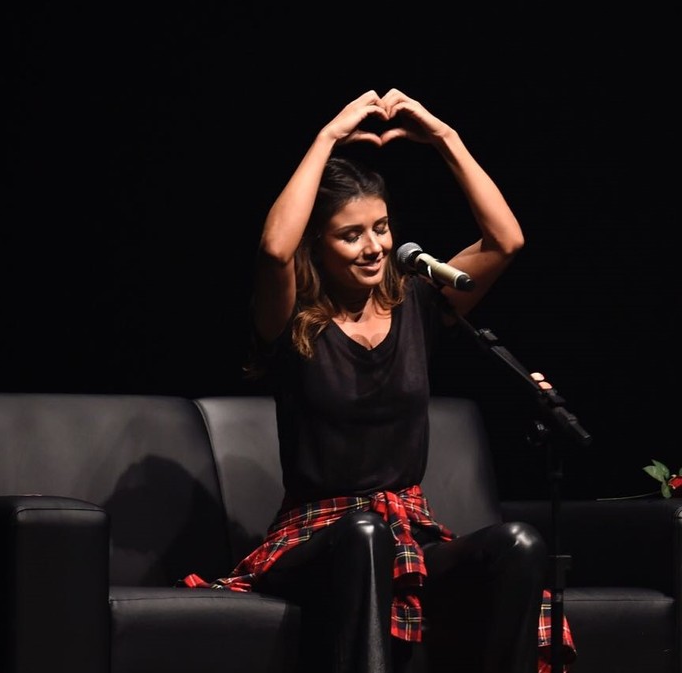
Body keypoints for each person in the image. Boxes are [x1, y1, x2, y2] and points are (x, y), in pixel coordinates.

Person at [181, 88, 575, 673]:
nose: (375, 247)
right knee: (366, 534)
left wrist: (443, 136)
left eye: (382, 228)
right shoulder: (292, 323)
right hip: (320, 538)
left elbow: (505, 242)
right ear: (318, 243)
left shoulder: (417, 303)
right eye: (352, 234)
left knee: (518, 545)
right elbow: (272, 250)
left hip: (407, 532)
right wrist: (328, 137)